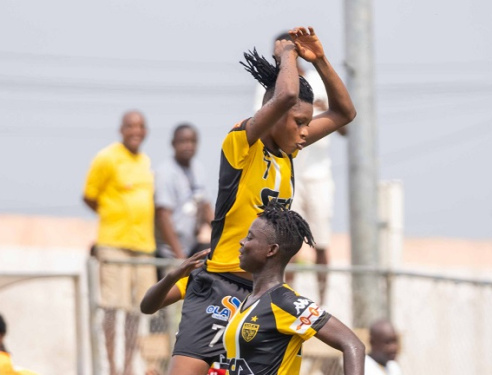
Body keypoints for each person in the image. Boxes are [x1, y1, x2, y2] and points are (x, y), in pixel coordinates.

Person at [141, 26, 356, 375]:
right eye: (299, 123)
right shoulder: (241, 144)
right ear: (273, 114)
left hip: (263, 293)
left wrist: (320, 61)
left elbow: (345, 113)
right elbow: (285, 96)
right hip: (218, 287)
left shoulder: (288, 153)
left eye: (307, 123)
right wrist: (287, 53)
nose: (306, 131)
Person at [254, 32, 347, 305]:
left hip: (317, 175)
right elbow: (262, 121)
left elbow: (344, 121)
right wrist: (283, 69)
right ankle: (284, 295)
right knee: (284, 239)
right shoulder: (269, 87)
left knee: (321, 242)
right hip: (282, 172)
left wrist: (321, 110)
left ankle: (322, 301)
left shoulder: (318, 83)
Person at [220, 202, 364, 374]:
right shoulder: (249, 300)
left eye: (250, 237)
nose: (242, 242)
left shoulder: (286, 303)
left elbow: (352, 344)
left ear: (271, 250)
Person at [83, 110, 156, 375]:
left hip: (144, 246)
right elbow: (90, 196)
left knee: (137, 310)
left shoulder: (145, 162)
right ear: (121, 129)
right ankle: (112, 366)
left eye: (141, 126)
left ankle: (127, 367)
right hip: (114, 244)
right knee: (114, 308)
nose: (136, 131)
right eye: (130, 126)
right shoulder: (106, 158)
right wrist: (114, 218)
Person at [154, 123, 214, 265]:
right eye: (183, 141)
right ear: (173, 143)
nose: (188, 146)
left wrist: (224, 238)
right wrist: (180, 259)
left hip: (191, 247)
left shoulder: (197, 169)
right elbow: (163, 216)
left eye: (192, 141)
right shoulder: (166, 172)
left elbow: (206, 209)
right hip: (170, 253)